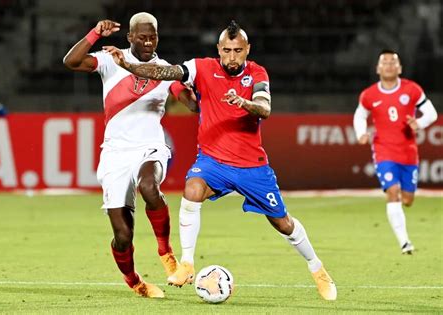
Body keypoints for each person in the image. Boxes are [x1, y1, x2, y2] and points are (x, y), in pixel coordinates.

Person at [104, 20, 337, 301]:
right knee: (192, 190)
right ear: (218, 49)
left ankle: (317, 269)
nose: (232, 57)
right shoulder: (201, 67)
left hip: (251, 165)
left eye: (238, 50)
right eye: (226, 50)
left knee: (283, 223)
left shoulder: (256, 73)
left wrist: (244, 103)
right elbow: (167, 72)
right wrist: (130, 66)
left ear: (247, 49)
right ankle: (187, 264)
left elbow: (265, 108)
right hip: (213, 161)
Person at [63, 12, 191, 298]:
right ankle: (134, 281)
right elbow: (70, 62)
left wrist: (194, 94)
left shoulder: (164, 69)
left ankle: (166, 251)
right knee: (123, 236)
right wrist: (95, 33)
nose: (148, 41)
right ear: (130, 37)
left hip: (150, 145)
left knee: (149, 186)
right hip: (115, 153)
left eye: (153, 36)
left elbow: (188, 101)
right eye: (142, 36)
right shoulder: (110, 59)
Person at [353, 49, 438, 255]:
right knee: (392, 192)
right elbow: (360, 115)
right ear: (377, 68)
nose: (389, 65)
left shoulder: (412, 90)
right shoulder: (369, 95)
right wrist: (361, 133)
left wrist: (419, 123)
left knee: (407, 199)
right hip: (383, 150)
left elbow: (431, 113)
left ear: (399, 68)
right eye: (385, 62)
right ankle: (404, 242)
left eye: (393, 62)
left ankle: (404, 213)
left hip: (408, 151)